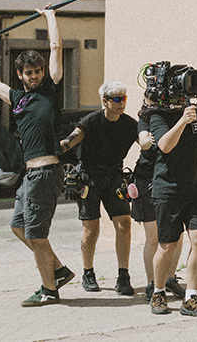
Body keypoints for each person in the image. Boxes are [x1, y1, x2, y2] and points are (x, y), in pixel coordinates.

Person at [0, 8, 75, 307]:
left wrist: (49, 16)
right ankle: (58, 270)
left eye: (37, 71)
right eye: (28, 73)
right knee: (18, 227)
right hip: (29, 175)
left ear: (42, 72)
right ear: (20, 75)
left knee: (36, 234)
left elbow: (57, 47)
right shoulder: (19, 99)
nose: (34, 76)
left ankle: (49, 290)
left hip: (46, 173)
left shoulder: (51, 90)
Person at [59, 81, 141, 295]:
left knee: (124, 223)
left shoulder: (130, 124)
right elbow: (73, 138)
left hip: (114, 177)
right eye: (116, 99)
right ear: (105, 101)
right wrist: (59, 146)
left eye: (124, 98)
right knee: (91, 228)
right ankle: (88, 272)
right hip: (89, 178)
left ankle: (123, 276)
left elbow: (145, 142)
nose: (121, 103)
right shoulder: (91, 121)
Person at [148, 101, 197, 316]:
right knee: (168, 246)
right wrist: (183, 121)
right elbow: (165, 145)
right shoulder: (158, 115)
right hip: (168, 191)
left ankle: (191, 297)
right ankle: (158, 291)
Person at [132, 98, 185, 302]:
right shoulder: (146, 118)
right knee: (153, 237)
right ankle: (152, 283)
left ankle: (170, 277)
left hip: (170, 178)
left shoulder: (174, 116)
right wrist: (149, 139)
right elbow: (144, 141)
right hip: (147, 179)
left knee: (176, 235)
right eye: (150, 97)